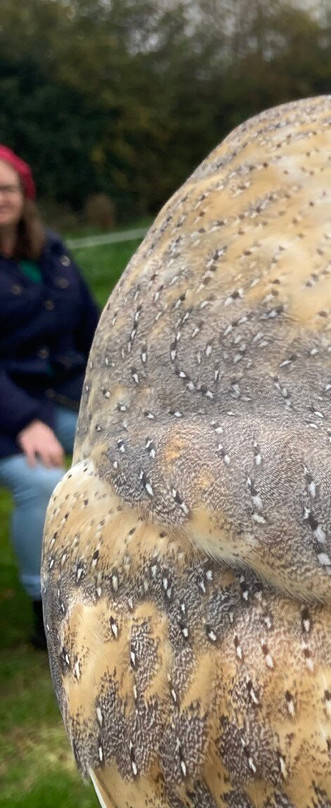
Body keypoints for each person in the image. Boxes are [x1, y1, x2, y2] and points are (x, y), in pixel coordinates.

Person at [0, 146, 99, 649]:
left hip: (64, 396)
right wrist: (23, 421)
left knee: (118, 454)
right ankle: (47, 610)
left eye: (7, 187)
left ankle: (115, 577)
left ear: (24, 195)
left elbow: (92, 327)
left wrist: (114, 390)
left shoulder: (54, 253)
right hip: (8, 413)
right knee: (40, 483)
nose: (0, 198)